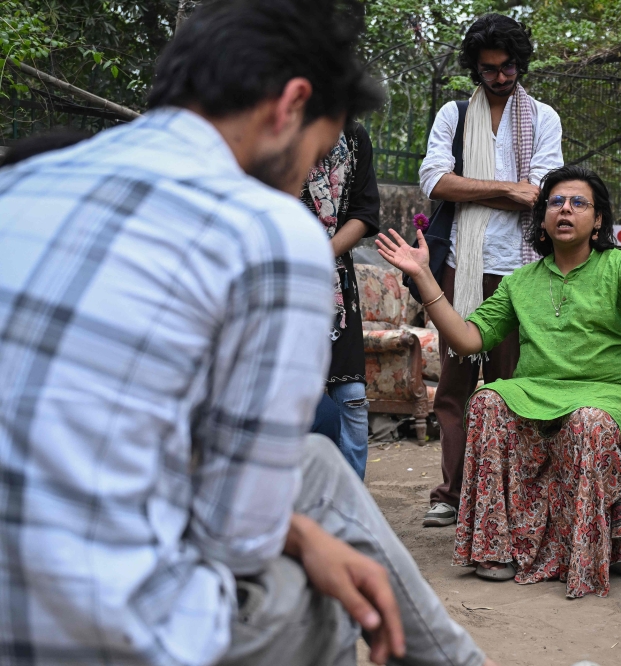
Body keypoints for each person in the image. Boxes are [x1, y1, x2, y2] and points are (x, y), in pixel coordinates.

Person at [0, 1, 495, 664]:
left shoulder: (22, 180)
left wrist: (293, 528)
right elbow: (236, 535)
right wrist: (301, 541)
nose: (300, 181)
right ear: (290, 105)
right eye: (314, 156)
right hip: (90, 638)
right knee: (327, 591)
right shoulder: (264, 230)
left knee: (315, 468)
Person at [376, 165, 621, 598]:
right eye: (555, 202)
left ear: (598, 219)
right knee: (488, 400)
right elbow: (468, 339)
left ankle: (583, 552)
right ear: (543, 219)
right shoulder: (520, 282)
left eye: (578, 202)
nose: (565, 210)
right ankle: (496, 548)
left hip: (612, 393)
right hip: (539, 388)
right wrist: (423, 276)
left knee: (588, 420)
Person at [418, 13, 563, 528]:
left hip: (522, 269)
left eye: (507, 67)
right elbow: (435, 182)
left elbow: (542, 193)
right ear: (474, 69)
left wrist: (477, 186)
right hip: (461, 266)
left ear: (520, 63)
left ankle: (506, 495)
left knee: (512, 386)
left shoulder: (543, 117)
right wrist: (506, 189)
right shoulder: (453, 116)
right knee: (454, 388)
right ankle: (451, 493)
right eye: (489, 69)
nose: (500, 77)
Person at [303, 120, 380, 479]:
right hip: (281, 282)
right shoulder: (269, 126)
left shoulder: (354, 136)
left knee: (351, 397)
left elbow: (365, 213)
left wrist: (320, 254)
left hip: (337, 289)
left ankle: (350, 511)